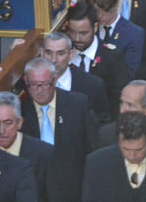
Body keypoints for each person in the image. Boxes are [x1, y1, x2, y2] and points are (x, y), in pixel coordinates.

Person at [18, 57, 97, 202]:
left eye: (44, 84)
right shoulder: (19, 110)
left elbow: (91, 148)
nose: (39, 91)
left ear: (54, 80)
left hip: (72, 188)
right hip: (34, 188)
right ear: (26, 81)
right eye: (33, 85)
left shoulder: (78, 104)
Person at [81, 112, 146, 201]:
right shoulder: (97, 163)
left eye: (139, 149)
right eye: (126, 149)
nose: (132, 156)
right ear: (118, 140)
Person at [64, 1, 129, 115]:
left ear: (95, 27)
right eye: (72, 32)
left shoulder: (112, 57)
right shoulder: (63, 54)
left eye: (83, 33)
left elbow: (117, 100)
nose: (77, 38)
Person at [41, 32, 110, 125]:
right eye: (48, 53)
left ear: (70, 55)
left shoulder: (93, 85)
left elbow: (101, 125)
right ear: (41, 53)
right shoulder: (30, 83)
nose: (53, 60)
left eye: (60, 53)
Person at [86, 0, 145, 79]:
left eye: (105, 10)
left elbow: (128, 74)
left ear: (115, 4)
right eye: (96, 10)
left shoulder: (134, 34)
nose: (99, 15)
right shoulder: (86, 30)